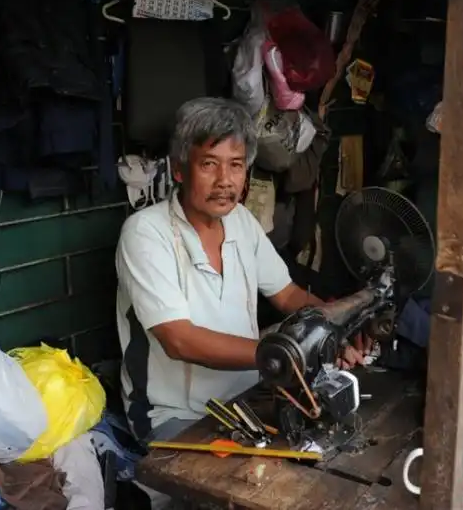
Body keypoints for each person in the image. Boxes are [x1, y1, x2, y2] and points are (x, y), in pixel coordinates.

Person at [116, 97, 365, 444]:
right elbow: (179, 340)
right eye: (208, 164)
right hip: (173, 414)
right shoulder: (145, 232)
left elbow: (288, 295)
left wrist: (331, 330)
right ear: (178, 169)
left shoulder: (241, 221)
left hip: (248, 396)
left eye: (235, 165)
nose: (224, 180)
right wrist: (284, 356)